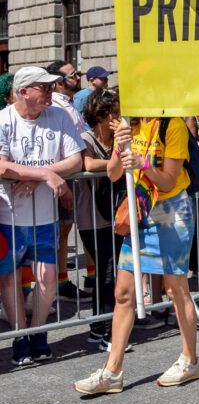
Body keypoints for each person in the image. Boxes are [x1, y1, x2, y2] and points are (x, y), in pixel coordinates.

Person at [72, 113, 199, 394]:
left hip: (171, 213)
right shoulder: (129, 125)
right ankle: (112, 371)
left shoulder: (173, 125)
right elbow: (113, 174)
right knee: (123, 292)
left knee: (174, 289)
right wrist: (119, 147)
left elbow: (168, 182)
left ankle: (190, 360)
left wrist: (143, 164)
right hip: (139, 210)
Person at [0, 66, 85, 366]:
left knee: (48, 277)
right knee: (10, 279)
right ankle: (20, 336)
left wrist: (38, 176)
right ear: (24, 92)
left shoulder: (59, 115)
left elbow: (75, 160)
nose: (51, 91)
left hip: (45, 216)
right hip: (8, 215)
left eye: (52, 86)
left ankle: (39, 330)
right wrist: (44, 174)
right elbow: (1, 167)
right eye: (44, 87)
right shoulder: (3, 119)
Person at [77, 88, 127, 350]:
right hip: (92, 217)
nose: (118, 118)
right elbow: (87, 165)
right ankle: (107, 331)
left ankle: (98, 327)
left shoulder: (118, 139)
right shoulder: (85, 138)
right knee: (107, 271)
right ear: (100, 115)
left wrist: (116, 152)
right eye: (114, 113)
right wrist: (115, 158)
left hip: (116, 213)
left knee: (112, 272)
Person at [46, 60, 90, 303]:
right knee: (61, 231)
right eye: (73, 74)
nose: (78, 76)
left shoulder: (70, 105)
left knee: (68, 229)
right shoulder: (55, 106)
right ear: (59, 81)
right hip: (63, 176)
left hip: (75, 176)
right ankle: (60, 282)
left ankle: (69, 280)